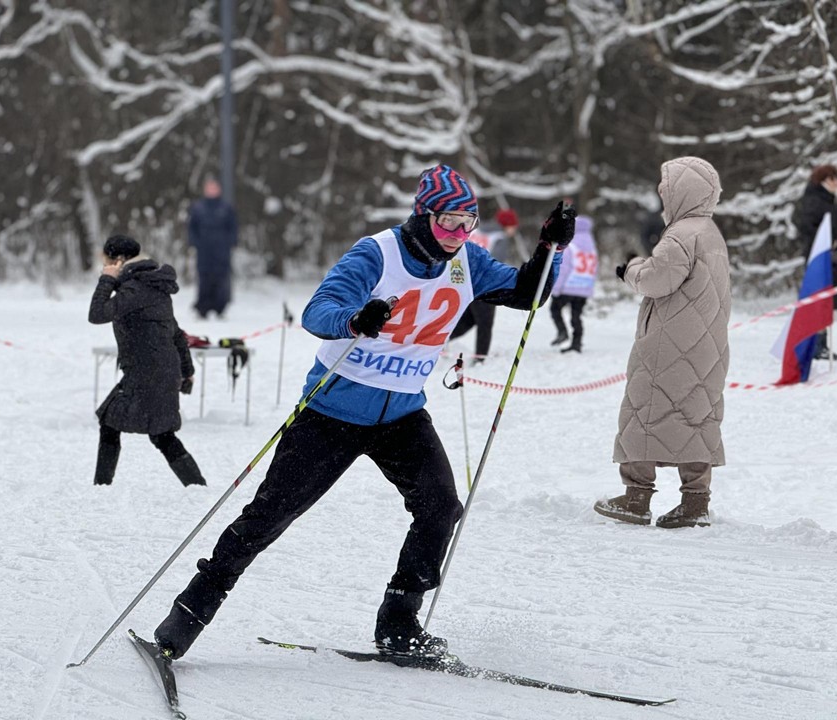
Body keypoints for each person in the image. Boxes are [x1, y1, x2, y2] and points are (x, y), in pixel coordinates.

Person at [152, 164, 575, 660]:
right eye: (448, 223)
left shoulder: (468, 261)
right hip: (333, 410)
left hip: (401, 416)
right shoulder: (377, 253)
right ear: (423, 216)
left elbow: (528, 293)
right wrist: (354, 319)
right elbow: (318, 310)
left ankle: (399, 622)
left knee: (440, 508)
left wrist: (550, 249)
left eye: (469, 222)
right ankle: (188, 614)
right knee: (267, 518)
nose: (458, 235)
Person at [594, 157, 730, 528]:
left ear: (682, 192)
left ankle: (636, 497)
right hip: (705, 343)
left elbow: (656, 280)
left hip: (670, 342)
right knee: (696, 415)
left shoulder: (681, 235)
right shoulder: (711, 233)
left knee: (642, 411)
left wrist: (631, 269)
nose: (663, 197)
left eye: (666, 191)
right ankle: (696, 501)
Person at [88, 234, 206, 487]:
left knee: (145, 430)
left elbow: (97, 314)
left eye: (106, 261)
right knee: (155, 433)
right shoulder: (150, 284)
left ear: (118, 260)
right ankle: (197, 487)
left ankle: (101, 487)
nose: (103, 265)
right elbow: (175, 332)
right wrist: (186, 370)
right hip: (155, 370)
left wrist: (107, 279)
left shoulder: (136, 288)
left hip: (148, 373)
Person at [794, 164, 837, 360]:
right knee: (818, 301)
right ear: (822, 181)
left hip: (831, 258)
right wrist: (826, 241)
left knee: (826, 301)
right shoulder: (814, 202)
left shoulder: (828, 201)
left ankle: (821, 344)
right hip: (819, 258)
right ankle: (815, 345)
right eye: (832, 179)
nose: (836, 183)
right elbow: (806, 228)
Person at [449, 207, 520, 363]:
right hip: (484, 283)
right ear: (507, 225)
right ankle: (481, 358)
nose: (514, 229)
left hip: (462, 278)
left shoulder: (478, 229)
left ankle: (442, 339)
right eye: (513, 226)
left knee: (471, 319)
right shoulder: (500, 237)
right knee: (485, 322)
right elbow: (497, 264)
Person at [188, 176, 238, 319]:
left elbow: (233, 226)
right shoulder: (198, 207)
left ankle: (220, 307)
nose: (211, 190)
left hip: (221, 250)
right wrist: (194, 242)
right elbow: (192, 227)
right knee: (204, 278)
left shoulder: (226, 207)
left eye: (214, 187)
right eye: (209, 187)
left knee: (221, 279)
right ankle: (202, 308)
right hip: (204, 250)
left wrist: (230, 242)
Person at [549, 214, 598, 353]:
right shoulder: (592, 247)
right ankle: (577, 343)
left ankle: (562, 332)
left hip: (568, 287)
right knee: (576, 316)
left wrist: (556, 289)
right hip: (584, 287)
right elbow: (595, 268)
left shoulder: (571, 245)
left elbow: (564, 268)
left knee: (555, 309)